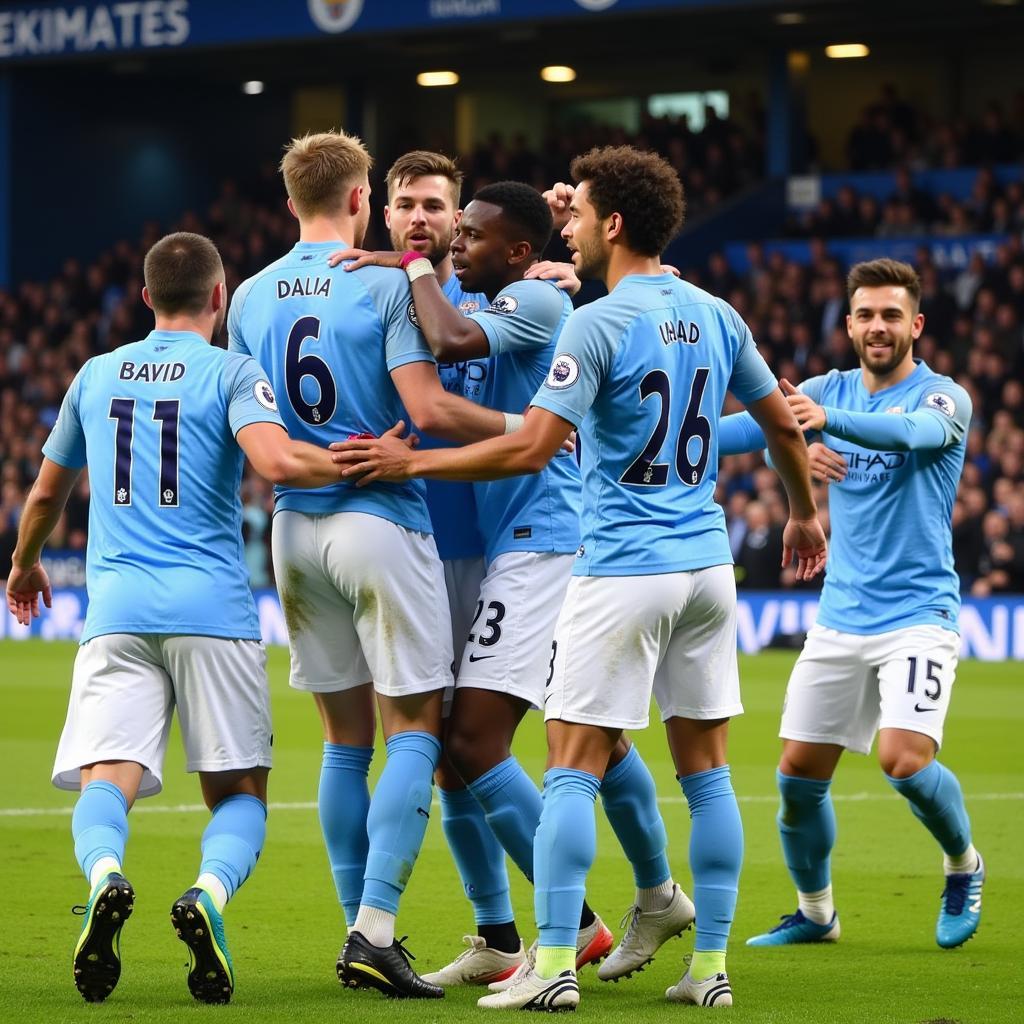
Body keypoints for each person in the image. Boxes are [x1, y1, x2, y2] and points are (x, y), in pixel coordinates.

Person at [332, 145, 827, 1011]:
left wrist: (409, 468)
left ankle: (558, 956)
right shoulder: (712, 311)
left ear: (612, 224)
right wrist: (802, 511)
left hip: (597, 555)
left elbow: (530, 441)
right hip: (705, 566)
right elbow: (778, 420)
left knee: (554, 760)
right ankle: (699, 955)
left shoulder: (576, 314)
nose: (567, 223)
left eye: (579, 212)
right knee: (688, 768)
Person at [335, 180, 692, 988]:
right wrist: (409, 258)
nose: (450, 240)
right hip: (481, 542)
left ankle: (580, 927)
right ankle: (585, 913)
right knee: (553, 740)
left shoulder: (536, 302)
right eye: (432, 221)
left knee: (472, 742)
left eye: (462, 228)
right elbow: (454, 311)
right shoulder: (464, 291)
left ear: (520, 252)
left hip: (542, 537)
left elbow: (458, 339)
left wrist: (416, 261)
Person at [5, 232, 346, 1005]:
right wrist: (369, 456)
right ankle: (208, 896)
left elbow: (45, 497)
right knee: (240, 796)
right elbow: (280, 462)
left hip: (117, 611)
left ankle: (105, 877)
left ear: (147, 296)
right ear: (220, 299)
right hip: (213, 611)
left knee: (107, 777)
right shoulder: (232, 371)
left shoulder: (94, 376)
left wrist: (25, 564)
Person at [227, 131, 516, 1000]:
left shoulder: (248, 294)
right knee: (417, 730)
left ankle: (354, 923)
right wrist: (528, 433)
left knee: (342, 742)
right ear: (363, 201)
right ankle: (377, 928)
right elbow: (426, 404)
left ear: (291, 203)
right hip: (379, 518)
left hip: (291, 530)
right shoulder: (388, 281)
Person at [717, 258, 983, 951]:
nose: (877, 326)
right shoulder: (824, 390)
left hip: (919, 614)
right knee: (797, 777)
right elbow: (744, 433)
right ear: (849, 323)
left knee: (903, 758)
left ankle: (963, 863)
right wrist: (642, 437)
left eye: (891, 315)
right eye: (865, 314)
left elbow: (910, 437)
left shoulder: (943, 398)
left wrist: (828, 423)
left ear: (916, 324)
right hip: (840, 615)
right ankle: (816, 913)